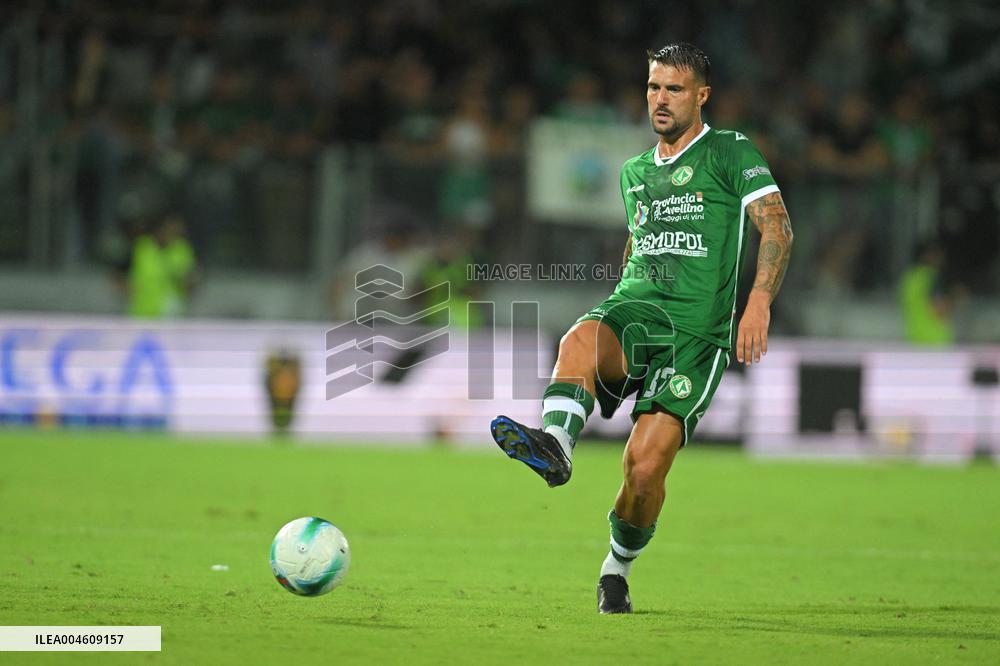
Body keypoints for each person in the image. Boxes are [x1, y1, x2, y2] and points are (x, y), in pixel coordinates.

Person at [490, 43, 794, 614]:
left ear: (701, 95)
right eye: (653, 87)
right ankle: (555, 447)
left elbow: (775, 224)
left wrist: (758, 303)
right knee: (580, 338)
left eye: (674, 89)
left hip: (697, 336)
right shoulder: (633, 172)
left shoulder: (730, 152)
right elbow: (638, 241)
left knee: (645, 469)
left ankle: (616, 568)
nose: (660, 98)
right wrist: (617, 304)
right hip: (639, 312)